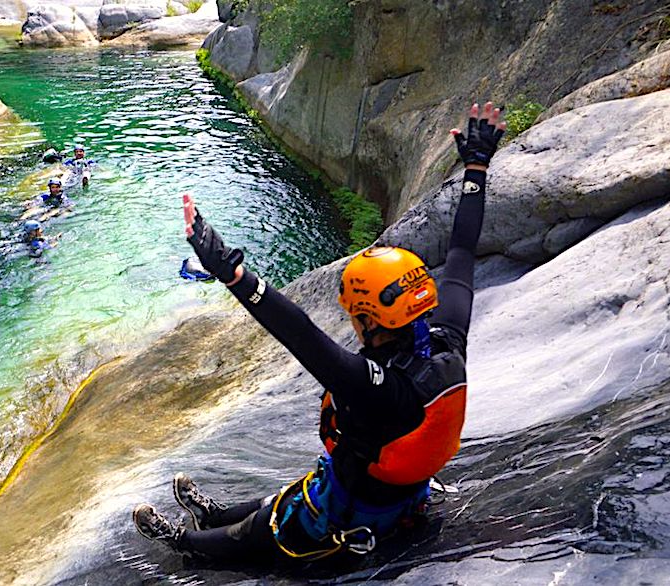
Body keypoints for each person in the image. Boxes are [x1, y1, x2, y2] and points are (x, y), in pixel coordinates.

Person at [132, 102, 506, 563]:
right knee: (284, 495)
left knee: (258, 529)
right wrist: (476, 167)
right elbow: (463, 253)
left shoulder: (379, 390)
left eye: (354, 314)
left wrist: (235, 277)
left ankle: (184, 544)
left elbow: (303, 335)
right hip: (394, 496)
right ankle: (212, 512)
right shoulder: (448, 342)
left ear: (370, 318)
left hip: (348, 515)